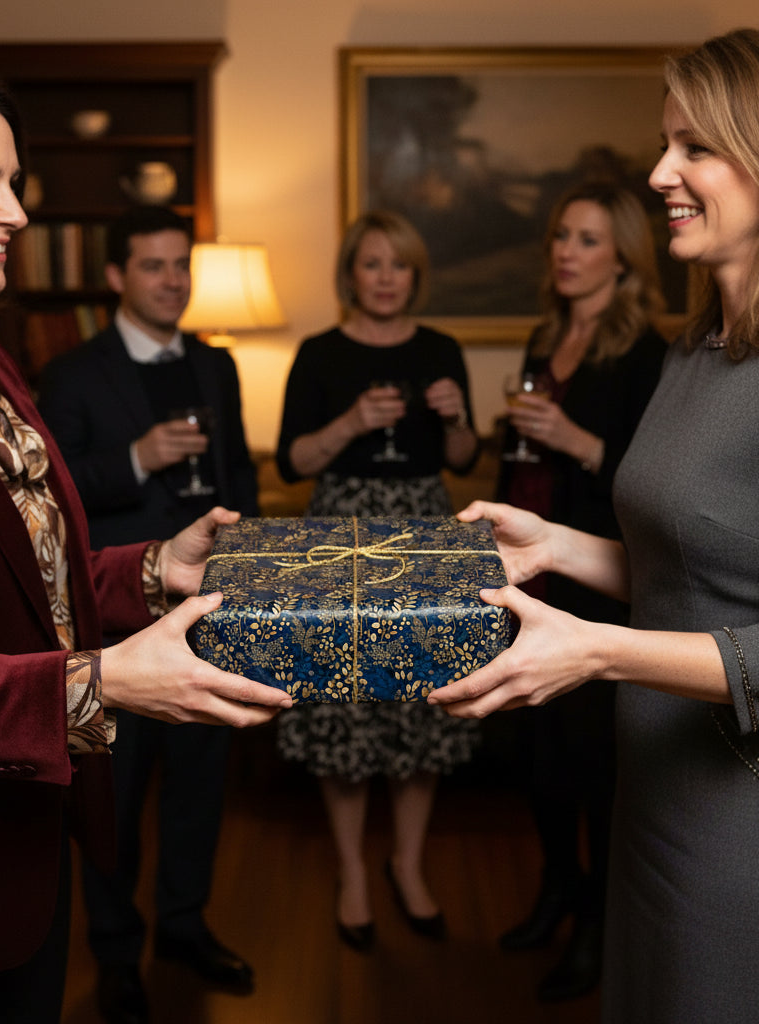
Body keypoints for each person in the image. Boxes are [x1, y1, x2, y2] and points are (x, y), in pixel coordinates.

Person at [0, 59, 290, 1024]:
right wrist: (98, 683)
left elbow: (31, 583)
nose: (19, 213)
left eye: (17, 183)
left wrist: (155, 570)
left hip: (24, 866)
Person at [430, 27, 759, 1024]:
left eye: (694, 146)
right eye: (667, 142)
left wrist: (594, 654)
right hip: (656, 803)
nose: (661, 171)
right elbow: (700, 569)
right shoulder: (698, 343)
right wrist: (559, 548)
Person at [36, 206, 259, 1021]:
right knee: (116, 799)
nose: (171, 281)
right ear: (116, 278)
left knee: (201, 789)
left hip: (217, 613)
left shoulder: (217, 364)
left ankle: (186, 927)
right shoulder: (72, 372)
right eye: (153, 266)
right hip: (120, 621)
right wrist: (138, 460)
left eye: (180, 265)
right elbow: (55, 504)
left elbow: (240, 483)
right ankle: (117, 953)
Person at [275, 209, 480, 951]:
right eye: (372, 264)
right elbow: (295, 462)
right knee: (347, 708)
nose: (387, 277)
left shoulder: (442, 349)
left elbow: (461, 457)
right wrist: (352, 423)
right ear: (351, 275)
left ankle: (408, 865)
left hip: (426, 526)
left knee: (423, 704)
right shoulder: (320, 353)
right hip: (341, 533)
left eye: (399, 265)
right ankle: (354, 874)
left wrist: (458, 419)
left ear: (414, 275)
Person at [494, 182, 666, 1001]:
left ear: (625, 254)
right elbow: (522, 455)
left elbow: (652, 481)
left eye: (589, 240)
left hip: (601, 576)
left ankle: (598, 926)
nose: (566, 251)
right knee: (540, 758)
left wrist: (578, 441)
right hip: (529, 567)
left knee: (592, 761)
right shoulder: (545, 334)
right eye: (562, 235)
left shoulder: (645, 353)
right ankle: (555, 890)